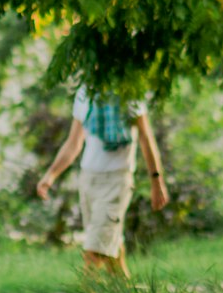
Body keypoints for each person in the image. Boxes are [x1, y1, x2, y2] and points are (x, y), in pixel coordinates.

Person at [35, 87, 169, 278]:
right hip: (88, 180)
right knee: (111, 252)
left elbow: (146, 138)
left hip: (117, 181)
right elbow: (74, 143)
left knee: (94, 252)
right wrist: (50, 175)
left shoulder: (130, 92)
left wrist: (156, 181)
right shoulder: (84, 94)